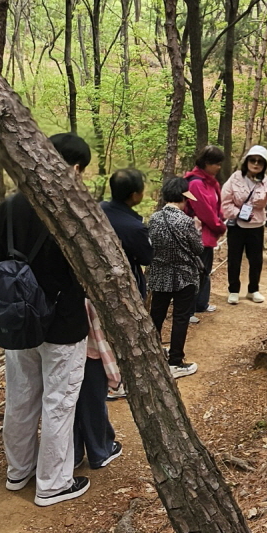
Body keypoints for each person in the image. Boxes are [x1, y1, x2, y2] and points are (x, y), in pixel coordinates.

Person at [0, 132, 91, 506]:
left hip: (17, 317)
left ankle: (18, 472)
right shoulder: (72, 209)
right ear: (75, 167)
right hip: (62, 320)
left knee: (20, 397)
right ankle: (52, 483)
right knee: (59, 401)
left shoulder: (11, 205)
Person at [100, 168, 154, 399]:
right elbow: (146, 257)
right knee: (125, 333)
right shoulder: (134, 228)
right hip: (126, 285)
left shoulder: (98, 210)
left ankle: (107, 378)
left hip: (94, 283)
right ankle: (117, 381)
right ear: (134, 195)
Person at [147, 177, 203, 377]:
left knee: (156, 315)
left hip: (159, 275)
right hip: (184, 276)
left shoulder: (154, 218)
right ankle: (176, 361)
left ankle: (151, 355)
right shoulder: (186, 221)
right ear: (183, 197)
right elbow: (198, 248)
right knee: (181, 318)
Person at [221, 145, 267, 304]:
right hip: (236, 225)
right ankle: (234, 290)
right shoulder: (235, 178)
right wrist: (238, 213)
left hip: (256, 226)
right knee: (234, 259)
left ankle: (253, 289)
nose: (255, 164)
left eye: (260, 162)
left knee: (256, 260)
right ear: (247, 161)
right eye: (252, 160)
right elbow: (225, 202)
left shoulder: (266, 181)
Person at [73, 300, 122, 469]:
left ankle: (74, 455)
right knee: (93, 406)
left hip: (62, 357)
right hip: (90, 355)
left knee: (69, 409)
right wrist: (112, 369)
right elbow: (99, 334)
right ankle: (101, 452)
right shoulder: (87, 295)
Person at [184, 146, 227, 322]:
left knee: (205, 270)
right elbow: (203, 210)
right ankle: (188, 310)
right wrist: (219, 226)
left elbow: (217, 205)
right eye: (216, 164)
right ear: (207, 163)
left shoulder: (212, 183)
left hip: (208, 235)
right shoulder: (195, 184)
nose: (219, 167)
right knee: (195, 271)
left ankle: (201, 303)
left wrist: (221, 219)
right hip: (197, 234)